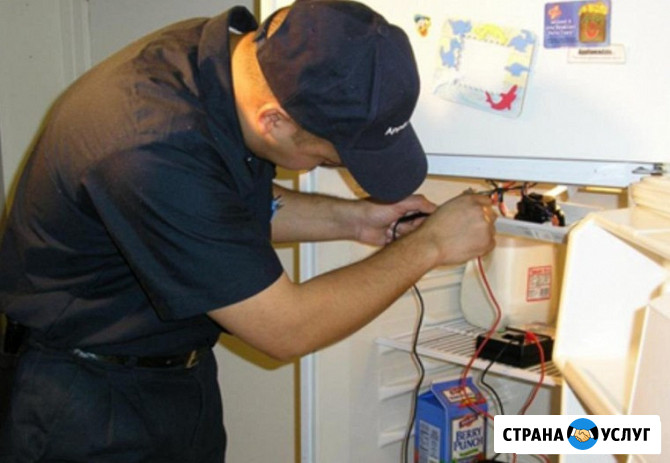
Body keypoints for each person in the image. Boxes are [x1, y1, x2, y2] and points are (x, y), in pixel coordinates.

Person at [0, 0, 496, 461]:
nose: (328, 166)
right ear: (273, 122)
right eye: (328, 158)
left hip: (171, 377)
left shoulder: (225, 65)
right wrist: (430, 246)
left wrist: (357, 220)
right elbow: (286, 328)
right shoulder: (149, 147)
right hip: (84, 403)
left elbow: (222, 210)